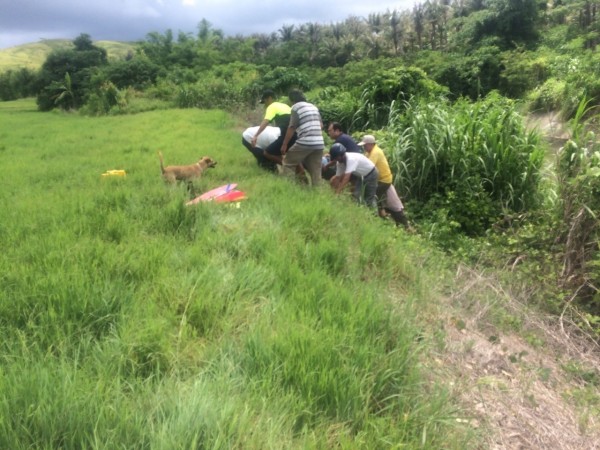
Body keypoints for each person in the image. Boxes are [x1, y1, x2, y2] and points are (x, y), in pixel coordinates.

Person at [359, 134, 411, 229]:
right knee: (389, 201)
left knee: (372, 195)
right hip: (381, 180)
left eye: (365, 145)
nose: (364, 147)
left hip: (384, 180)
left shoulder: (375, 152)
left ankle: (379, 215)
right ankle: (383, 214)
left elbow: (368, 167)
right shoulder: (369, 152)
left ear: (370, 144)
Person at [280, 90, 324, 187]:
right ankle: (317, 192)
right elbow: (321, 125)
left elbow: (292, 127)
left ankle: (287, 187)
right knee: (316, 170)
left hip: (306, 141)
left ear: (292, 100)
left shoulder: (296, 107)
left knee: (288, 162)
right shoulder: (313, 107)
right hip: (319, 143)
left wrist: (284, 144)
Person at [251, 89, 297, 168]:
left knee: (268, 152)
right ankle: (300, 173)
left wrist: (255, 135)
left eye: (265, 101)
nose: (265, 105)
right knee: (291, 154)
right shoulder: (285, 106)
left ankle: (289, 167)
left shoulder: (272, 107)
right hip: (295, 134)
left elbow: (266, 121)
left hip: (286, 135)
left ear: (269, 98)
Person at [329, 142, 378, 208]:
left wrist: (338, 192)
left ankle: (374, 215)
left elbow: (346, 178)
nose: (336, 160)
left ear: (342, 155)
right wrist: (333, 191)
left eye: (337, 158)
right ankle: (359, 210)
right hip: (361, 176)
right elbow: (338, 177)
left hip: (371, 174)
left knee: (369, 198)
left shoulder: (351, 159)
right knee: (356, 195)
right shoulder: (339, 162)